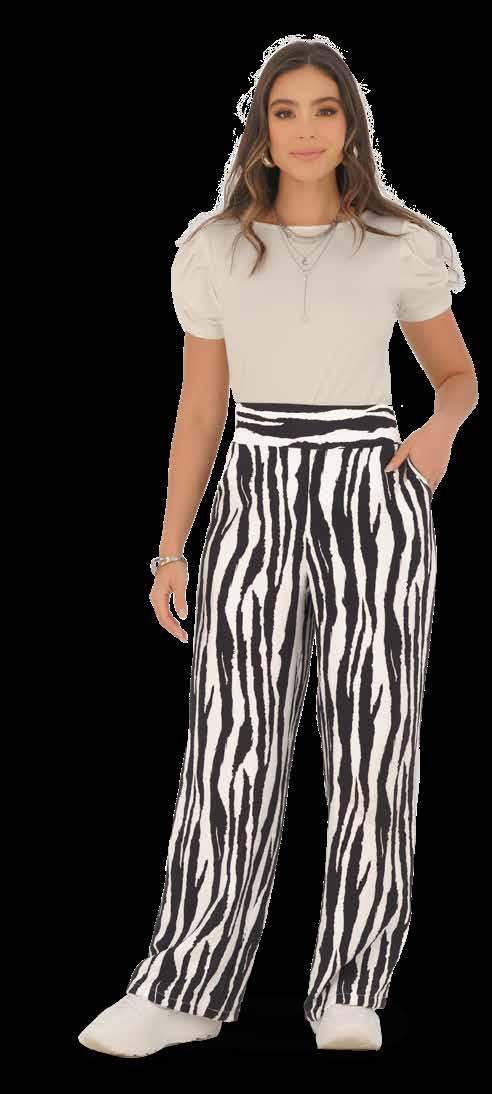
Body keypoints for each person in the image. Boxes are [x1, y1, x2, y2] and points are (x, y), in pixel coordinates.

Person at [78, 40, 478, 1057]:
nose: (305, 128)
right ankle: (187, 987)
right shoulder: (216, 248)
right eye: (285, 110)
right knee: (231, 744)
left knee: (375, 737)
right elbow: (200, 409)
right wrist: (171, 551)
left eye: (324, 109)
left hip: (370, 492)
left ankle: (351, 987)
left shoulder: (399, 245)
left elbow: (457, 374)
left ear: (351, 127)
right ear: (259, 128)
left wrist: (437, 431)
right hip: (254, 489)